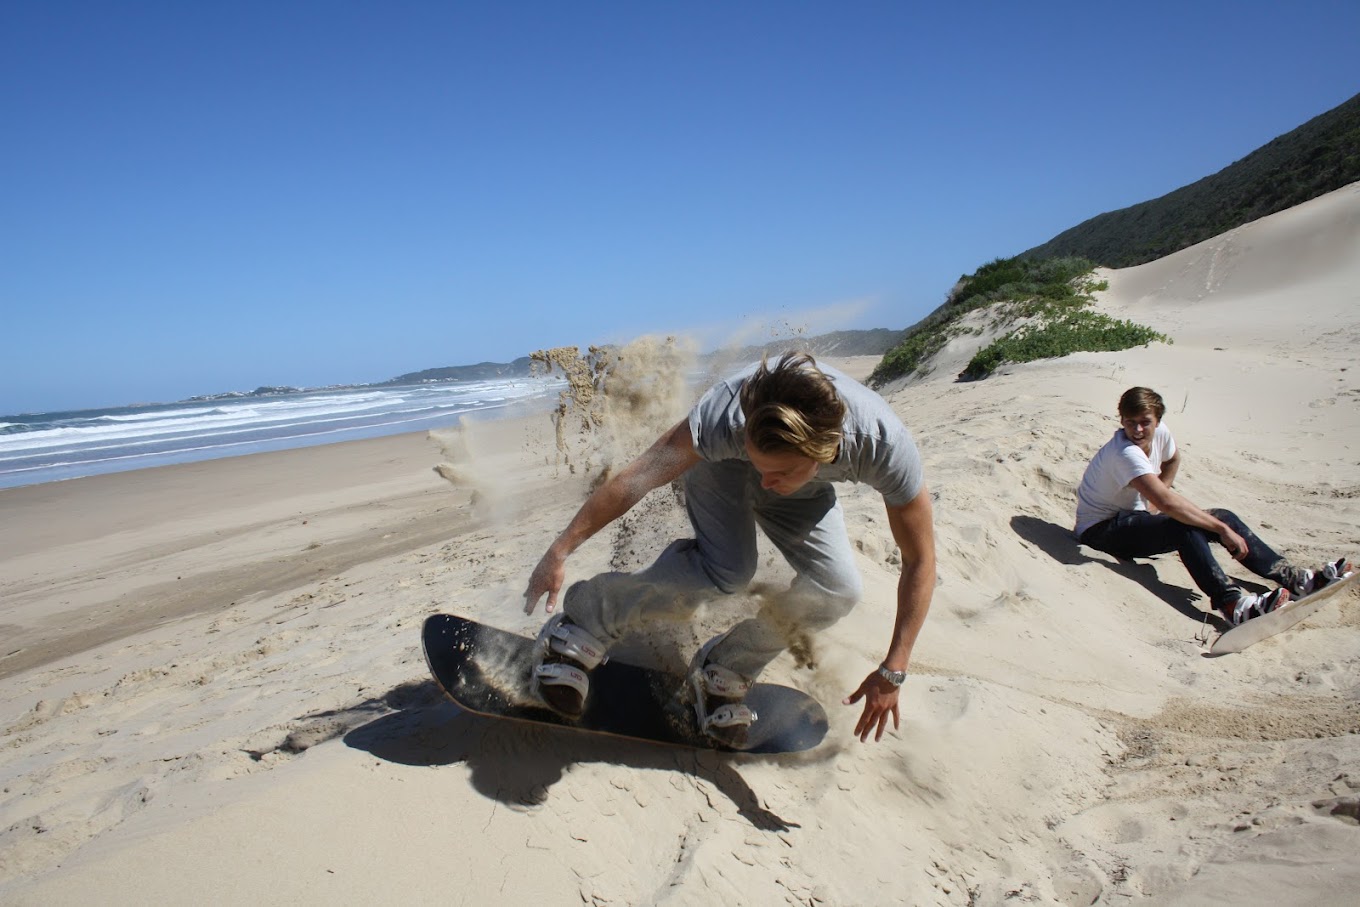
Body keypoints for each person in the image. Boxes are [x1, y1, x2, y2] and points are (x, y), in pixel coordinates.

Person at [522, 351, 936, 746]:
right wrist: (560, 550)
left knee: (839, 591)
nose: (764, 482)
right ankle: (582, 622)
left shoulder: (883, 445)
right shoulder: (724, 418)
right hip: (723, 467)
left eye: (779, 471)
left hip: (806, 492)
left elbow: (919, 560)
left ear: (824, 451)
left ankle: (724, 670)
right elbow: (638, 478)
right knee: (729, 572)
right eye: (761, 465)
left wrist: (894, 668)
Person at [1075, 386, 1351, 625]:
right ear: (1121, 421)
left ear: (1157, 420)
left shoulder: (1160, 434)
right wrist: (1215, 528)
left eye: (1144, 422)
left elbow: (1172, 460)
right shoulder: (1125, 453)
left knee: (1222, 516)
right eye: (1130, 422)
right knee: (1183, 527)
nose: (1137, 430)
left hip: (1131, 519)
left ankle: (1296, 580)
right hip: (1100, 531)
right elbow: (1168, 504)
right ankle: (1232, 605)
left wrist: (1162, 500)